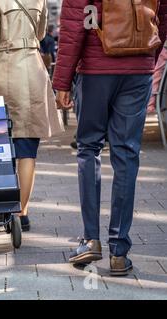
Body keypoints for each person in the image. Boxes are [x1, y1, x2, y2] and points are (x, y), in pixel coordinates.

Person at [53, 0, 167, 276]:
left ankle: (90, 239)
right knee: (127, 154)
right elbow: (162, 18)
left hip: (96, 68)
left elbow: (73, 26)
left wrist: (62, 81)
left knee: (89, 148)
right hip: (138, 69)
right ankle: (119, 251)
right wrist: (146, 58)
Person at [0, 0, 64, 232]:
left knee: (1, 144)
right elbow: (41, 32)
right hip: (33, 70)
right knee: (27, 147)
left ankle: (4, 205)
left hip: (4, 72)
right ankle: (22, 213)